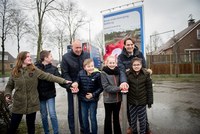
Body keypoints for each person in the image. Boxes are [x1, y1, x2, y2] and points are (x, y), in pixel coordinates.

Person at [4, 51, 71, 134]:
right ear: (21, 59)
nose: (30, 58)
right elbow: (9, 86)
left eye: (29, 56)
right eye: (27, 56)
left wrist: (64, 81)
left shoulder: (34, 70)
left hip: (32, 103)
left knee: (31, 127)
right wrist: (7, 94)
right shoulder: (15, 72)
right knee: (13, 127)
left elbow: (49, 76)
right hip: (18, 104)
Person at [117, 37, 151, 134]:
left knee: (142, 108)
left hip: (140, 84)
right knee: (129, 108)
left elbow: (144, 67)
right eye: (128, 45)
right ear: (124, 46)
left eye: (131, 44)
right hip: (128, 85)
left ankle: (146, 128)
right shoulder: (121, 57)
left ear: (133, 45)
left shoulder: (139, 54)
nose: (130, 46)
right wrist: (123, 82)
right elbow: (122, 71)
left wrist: (146, 76)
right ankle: (132, 127)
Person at [61, 40, 90, 134]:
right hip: (72, 88)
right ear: (72, 47)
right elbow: (65, 73)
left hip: (84, 87)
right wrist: (71, 85)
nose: (78, 50)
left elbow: (89, 69)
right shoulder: (66, 57)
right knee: (72, 112)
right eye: (76, 48)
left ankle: (84, 130)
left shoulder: (86, 55)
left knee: (83, 111)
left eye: (80, 47)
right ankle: (73, 131)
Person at [72, 58, 103, 134]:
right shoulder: (80, 73)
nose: (91, 68)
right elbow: (77, 82)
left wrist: (93, 94)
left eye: (92, 66)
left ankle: (94, 132)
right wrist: (75, 83)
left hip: (93, 100)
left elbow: (101, 87)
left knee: (93, 118)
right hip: (83, 99)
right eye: (88, 66)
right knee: (84, 118)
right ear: (84, 67)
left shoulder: (98, 74)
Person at [35, 50, 62, 134]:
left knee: (52, 114)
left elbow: (59, 79)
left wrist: (69, 85)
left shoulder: (54, 68)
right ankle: (46, 132)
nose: (52, 58)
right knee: (43, 115)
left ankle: (56, 132)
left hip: (50, 94)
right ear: (45, 58)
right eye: (50, 56)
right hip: (40, 96)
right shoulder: (35, 68)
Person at [126, 57, 153, 134]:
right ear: (131, 65)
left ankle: (142, 132)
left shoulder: (146, 74)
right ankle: (134, 132)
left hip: (142, 101)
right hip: (131, 102)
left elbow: (149, 89)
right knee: (133, 120)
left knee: (142, 120)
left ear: (141, 65)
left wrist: (149, 101)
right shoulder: (128, 74)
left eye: (138, 64)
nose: (136, 66)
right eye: (134, 65)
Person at [101, 55, 126, 134]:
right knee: (108, 117)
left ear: (116, 63)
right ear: (106, 63)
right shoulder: (103, 73)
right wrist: (119, 88)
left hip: (117, 99)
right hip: (108, 99)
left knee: (116, 117)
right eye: (110, 63)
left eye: (113, 62)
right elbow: (106, 87)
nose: (112, 64)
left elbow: (123, 80)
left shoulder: (118, 72)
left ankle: (117, 132)